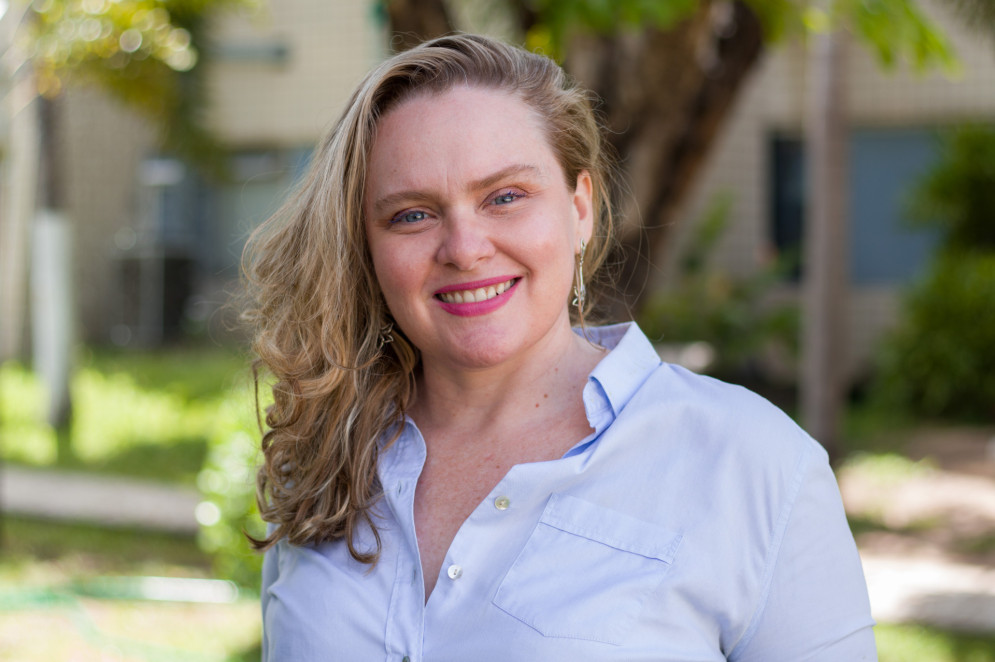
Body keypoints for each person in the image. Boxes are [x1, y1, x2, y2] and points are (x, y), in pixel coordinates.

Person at [242, 33, 877, 661]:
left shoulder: (755, 464)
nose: (464, 248)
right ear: (367, 247)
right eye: (412, 214)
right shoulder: (325, 459)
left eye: (506, 197)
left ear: (581, 209)